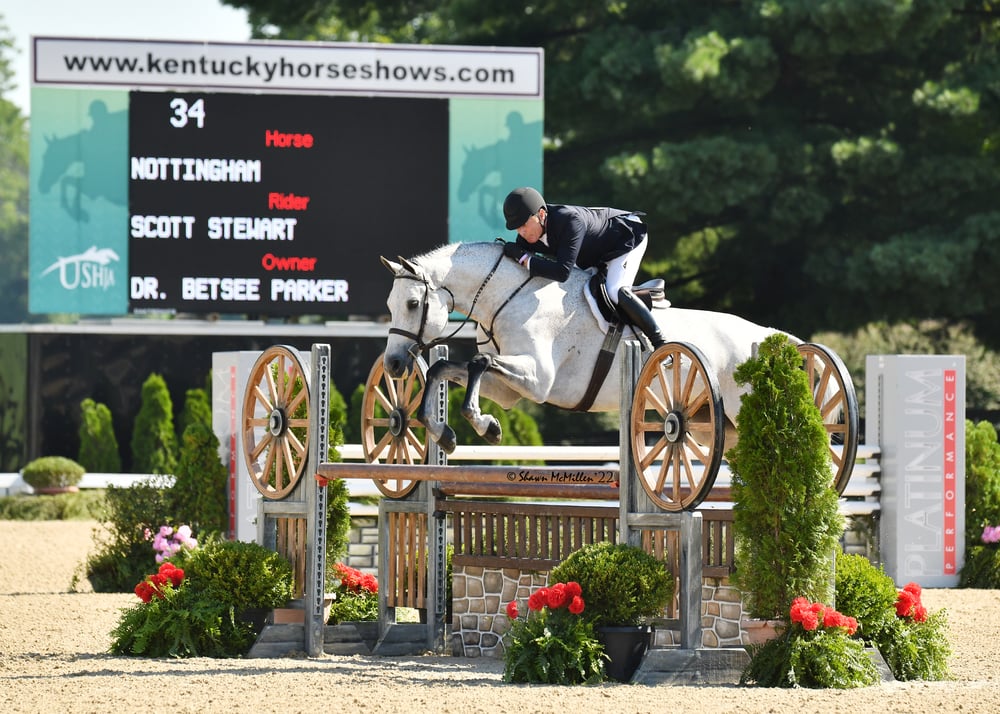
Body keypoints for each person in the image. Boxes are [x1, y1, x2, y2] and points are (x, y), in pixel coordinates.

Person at [500, 186, 665, 349]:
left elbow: (561, 272)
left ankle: (659, 342)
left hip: (625, 237)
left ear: (541, 215)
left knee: (615, 290)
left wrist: (523, 258)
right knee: (577, 292)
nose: (521, 232)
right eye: (517, 227)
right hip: (594, 253)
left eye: (524, 225)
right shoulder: (529, 234)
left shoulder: (569, 221)